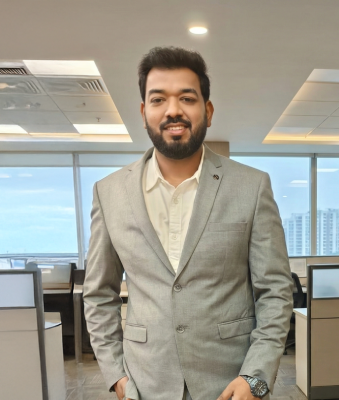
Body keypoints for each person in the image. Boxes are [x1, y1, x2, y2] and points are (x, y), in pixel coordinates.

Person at [83, 46, 293, 400]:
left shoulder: (252, 186)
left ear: (207, 111)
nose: (173, 110)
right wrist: (116, 375)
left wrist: (255, 378)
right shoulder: (109, 193)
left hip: (232, 385)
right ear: (144, 112)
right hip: (144, 385)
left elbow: (275, 290)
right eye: (158, 99)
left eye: (187, 98)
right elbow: (99, 293)